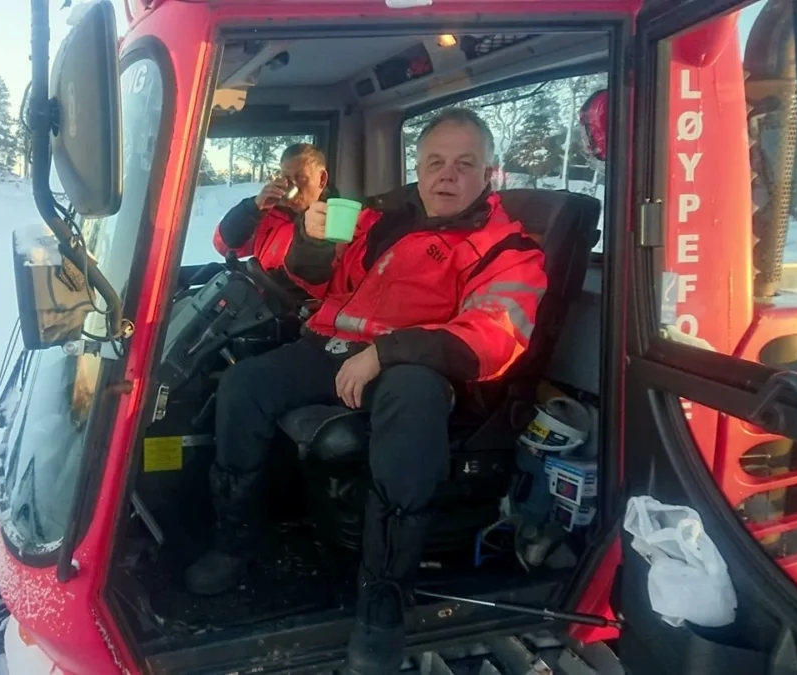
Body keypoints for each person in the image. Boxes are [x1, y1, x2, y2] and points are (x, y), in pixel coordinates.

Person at [185, 108, 549, 674]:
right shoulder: (385, 220)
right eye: (435, 163)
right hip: (335, 348)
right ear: (419, 169)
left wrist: (389, 352)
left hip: (422, 375)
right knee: (242, 384)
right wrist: (309, 240)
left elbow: (493, 337)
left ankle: (383, 600)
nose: (446, 175)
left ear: (489, 173)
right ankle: (236, 539)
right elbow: (323, 282)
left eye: (464, 163)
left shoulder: (509, 248)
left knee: (412, 395)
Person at [212, 142, 338, 303]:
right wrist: (253, 207)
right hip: (258, 306)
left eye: (301, 178)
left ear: (322, 179)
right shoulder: (272, 215)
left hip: (297, 316)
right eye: (287, 179)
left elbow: (313, 284)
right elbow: (225, 246)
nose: (293, 187)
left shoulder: (333, 223)